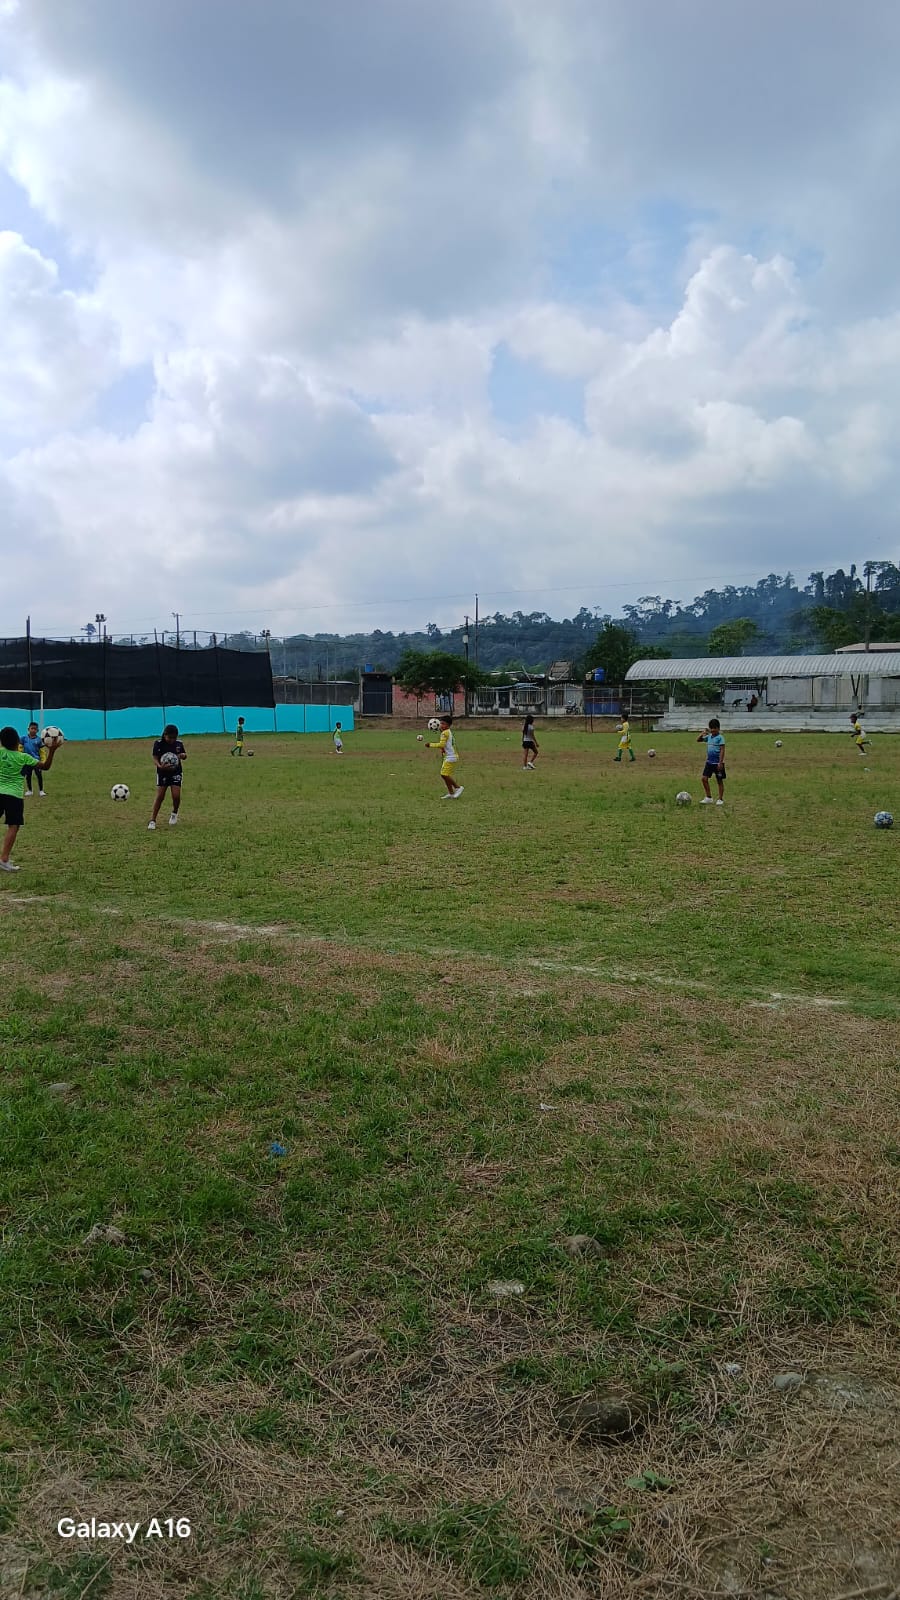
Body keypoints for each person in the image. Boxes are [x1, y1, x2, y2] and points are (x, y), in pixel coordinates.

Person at [0, 726, 61, 872]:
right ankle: (4, 859)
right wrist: (52, 750)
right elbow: (45, 766)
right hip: (14, 796)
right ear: (18, 742)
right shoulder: (23, 757)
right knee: (13, 826)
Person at [149, 724, 187, 829]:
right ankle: (152, 820)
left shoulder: (179, 744)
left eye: (174, 738)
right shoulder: (158, 743)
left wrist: (183, 756)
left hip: (176, 772)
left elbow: (184, 755)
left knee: (176, 796)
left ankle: (174, 813)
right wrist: (160, 766)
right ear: (164, 735)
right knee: (160, 796)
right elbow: (155, 757)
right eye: (170, 737)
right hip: (163, 773)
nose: (172, 740)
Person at [424, 714, 463, 799]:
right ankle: (451, 793)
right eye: (441, 723)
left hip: (451, 757)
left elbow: (442, 744)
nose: (441, 725)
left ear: (448, 725)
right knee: (444, 775)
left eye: (443, 724)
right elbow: (446, 744)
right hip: (450, 756)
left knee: (444, 774)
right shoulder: (447, 731)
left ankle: (458, 787)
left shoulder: (444, 733)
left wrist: (430, 744)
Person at [697, 717, 726, 804]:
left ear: (718, 728)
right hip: (709, 762)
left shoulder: (720, 738)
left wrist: (720, 763)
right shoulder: (709, 737)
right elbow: (698, 740)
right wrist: (702, 734)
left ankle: (720, 799)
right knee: (704, 779)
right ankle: (708, 797)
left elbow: (722, 750)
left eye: (714, 728)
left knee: (719, 781)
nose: (713, 730)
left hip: (717, 763)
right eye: (711, 728)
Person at [22, 722, 46, 797]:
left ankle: (41, 791)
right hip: (27, 761)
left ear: (37, 730)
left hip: (36, 761)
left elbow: (42, 752)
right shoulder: (23, 738)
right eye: (32, 728)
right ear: (28, 729)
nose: (33, 730)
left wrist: (43, 761)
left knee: (39, 776)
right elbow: (20, 749)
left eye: (35, 729)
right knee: (28, 776)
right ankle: (30, 790)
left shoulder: (39, 740)